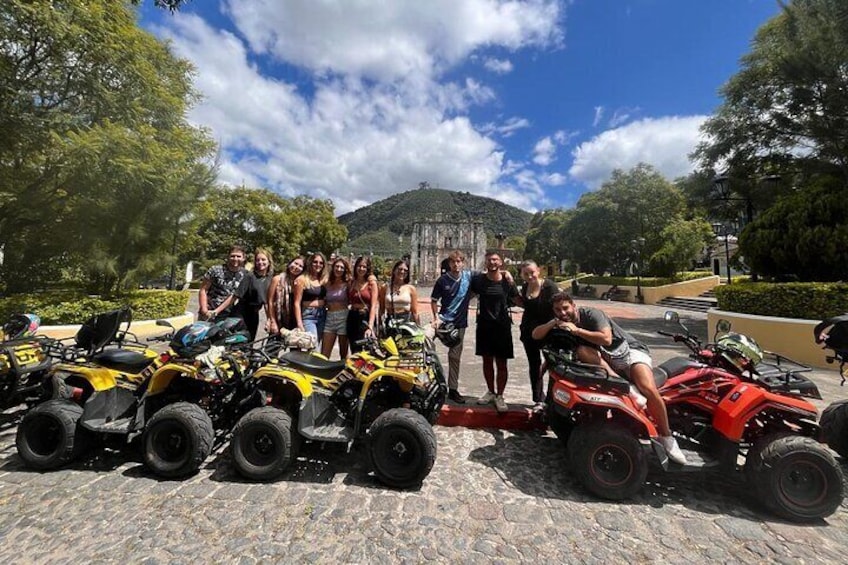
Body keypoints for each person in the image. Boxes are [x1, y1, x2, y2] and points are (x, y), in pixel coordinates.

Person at [532, 292, 687, 465]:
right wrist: (553, 323)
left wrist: (577, 330)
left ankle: (667, 437)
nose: (562, 312)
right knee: (582, 351)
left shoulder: (591, 314)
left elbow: (606, 339)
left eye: (565, 308)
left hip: (629, 352)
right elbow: (536, 335)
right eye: (557, 310)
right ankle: (625, 388)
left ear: (573, 306)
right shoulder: (562, 322)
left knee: (648, 388)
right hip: (607, 359)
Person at [471, 251, 519, 413]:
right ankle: (491, 391)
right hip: (484, 326)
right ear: (485, 263)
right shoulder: (478, 280)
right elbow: (466, 294)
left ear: (501, 262)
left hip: (502, 327)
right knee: (487, 361)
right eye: (489, 260)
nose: (492, 262)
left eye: (495, 259)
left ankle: (500, 395)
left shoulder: (507, 281)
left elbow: (518, 299)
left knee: (502, 363)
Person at [430, 250, 473, 404]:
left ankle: (453, 389)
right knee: (424, 340)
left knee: (454, 357)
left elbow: (487, 276)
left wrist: (505, 274)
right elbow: (434, 300)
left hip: (459, 323)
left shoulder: (469, 277)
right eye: (453, 262)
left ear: (463, 263)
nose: (456, 264)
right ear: (449, 263)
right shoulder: (442, 280)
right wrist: (435, 318)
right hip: (442, 320)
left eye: (458, 261)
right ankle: (428, 381)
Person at [517, 260, 558, 411]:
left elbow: (559, 306)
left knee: (553, 365)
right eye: (525, 274)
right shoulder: (525, 287)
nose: (529, 276)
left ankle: (552, 399)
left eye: (532, 272)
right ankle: (538, 399)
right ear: (522, 275)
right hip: (528, 332)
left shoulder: (549, 287)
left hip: (549, 332)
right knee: (534, 365)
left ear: (539, 271)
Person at [198, 245, 247, 321]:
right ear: (228, 257)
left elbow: (235, 296)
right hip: (208, 312)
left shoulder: (245, 275)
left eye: (238, 256)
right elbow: (203, 289)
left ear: (243, 258)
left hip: (228, 315)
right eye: (232, 256)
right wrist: (204, 309)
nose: (235, 259)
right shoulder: (215, 270)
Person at [235, 248, 274, 340]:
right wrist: (217, 311)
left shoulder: (271, 278)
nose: (260, 262)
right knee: (239, 341)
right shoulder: (250, 276)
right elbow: (235, 296)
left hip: (254, 314)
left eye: (263, 259)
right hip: (241, 313)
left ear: (269, 261)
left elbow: (267, 302)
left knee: (250, 340)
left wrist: (269, 320)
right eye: (257, 260)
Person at [347, 256, 379, 352]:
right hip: (352, 317)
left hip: (365, 317)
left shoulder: (371, 283)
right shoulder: (352, 282)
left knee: (366, 348)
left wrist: (370, 325)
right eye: (359, 266)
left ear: (367, 269)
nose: (361, 269)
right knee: (354, 348)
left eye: (364, 267)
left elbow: (373, 306)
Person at [293, 252, 327, 343]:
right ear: (310, 263)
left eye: (321, 263)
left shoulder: (323, 280)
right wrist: (299, 323)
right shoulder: (302, 279)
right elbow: (296, 303)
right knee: (312, 344)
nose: (318, 265)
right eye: (315, 262)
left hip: (322, 314)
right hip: (308, 315)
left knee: (317, 344)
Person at [266, 255, 305, 335]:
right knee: (274, 342)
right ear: (290, 263)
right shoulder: (277, 279)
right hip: (279, 319)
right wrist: (272, 321)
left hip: (295, 321)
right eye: (295, 263)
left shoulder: (301, 282)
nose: (296, 267)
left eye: (300, 266)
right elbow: (270, 301)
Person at [322, 257, 351, 359]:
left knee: (343, 353)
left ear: (345, 269)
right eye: (337, 266)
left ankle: (345, 369)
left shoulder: (348, 283)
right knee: (324, 354)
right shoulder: (327, 283)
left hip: (343, 317)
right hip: (329, 317)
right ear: (333, 267)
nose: (339, 269)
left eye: (341, 267)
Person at [381, 260, 420, 332]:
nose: (402, 272)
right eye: (400, 269)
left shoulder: (411, 289)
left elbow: (415, 312)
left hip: (406, 324)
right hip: (390, 324)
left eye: (405, 270)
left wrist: (418, 328)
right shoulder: (385, 287)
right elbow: (381, 310)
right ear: (394, 270)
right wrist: (380, 326)